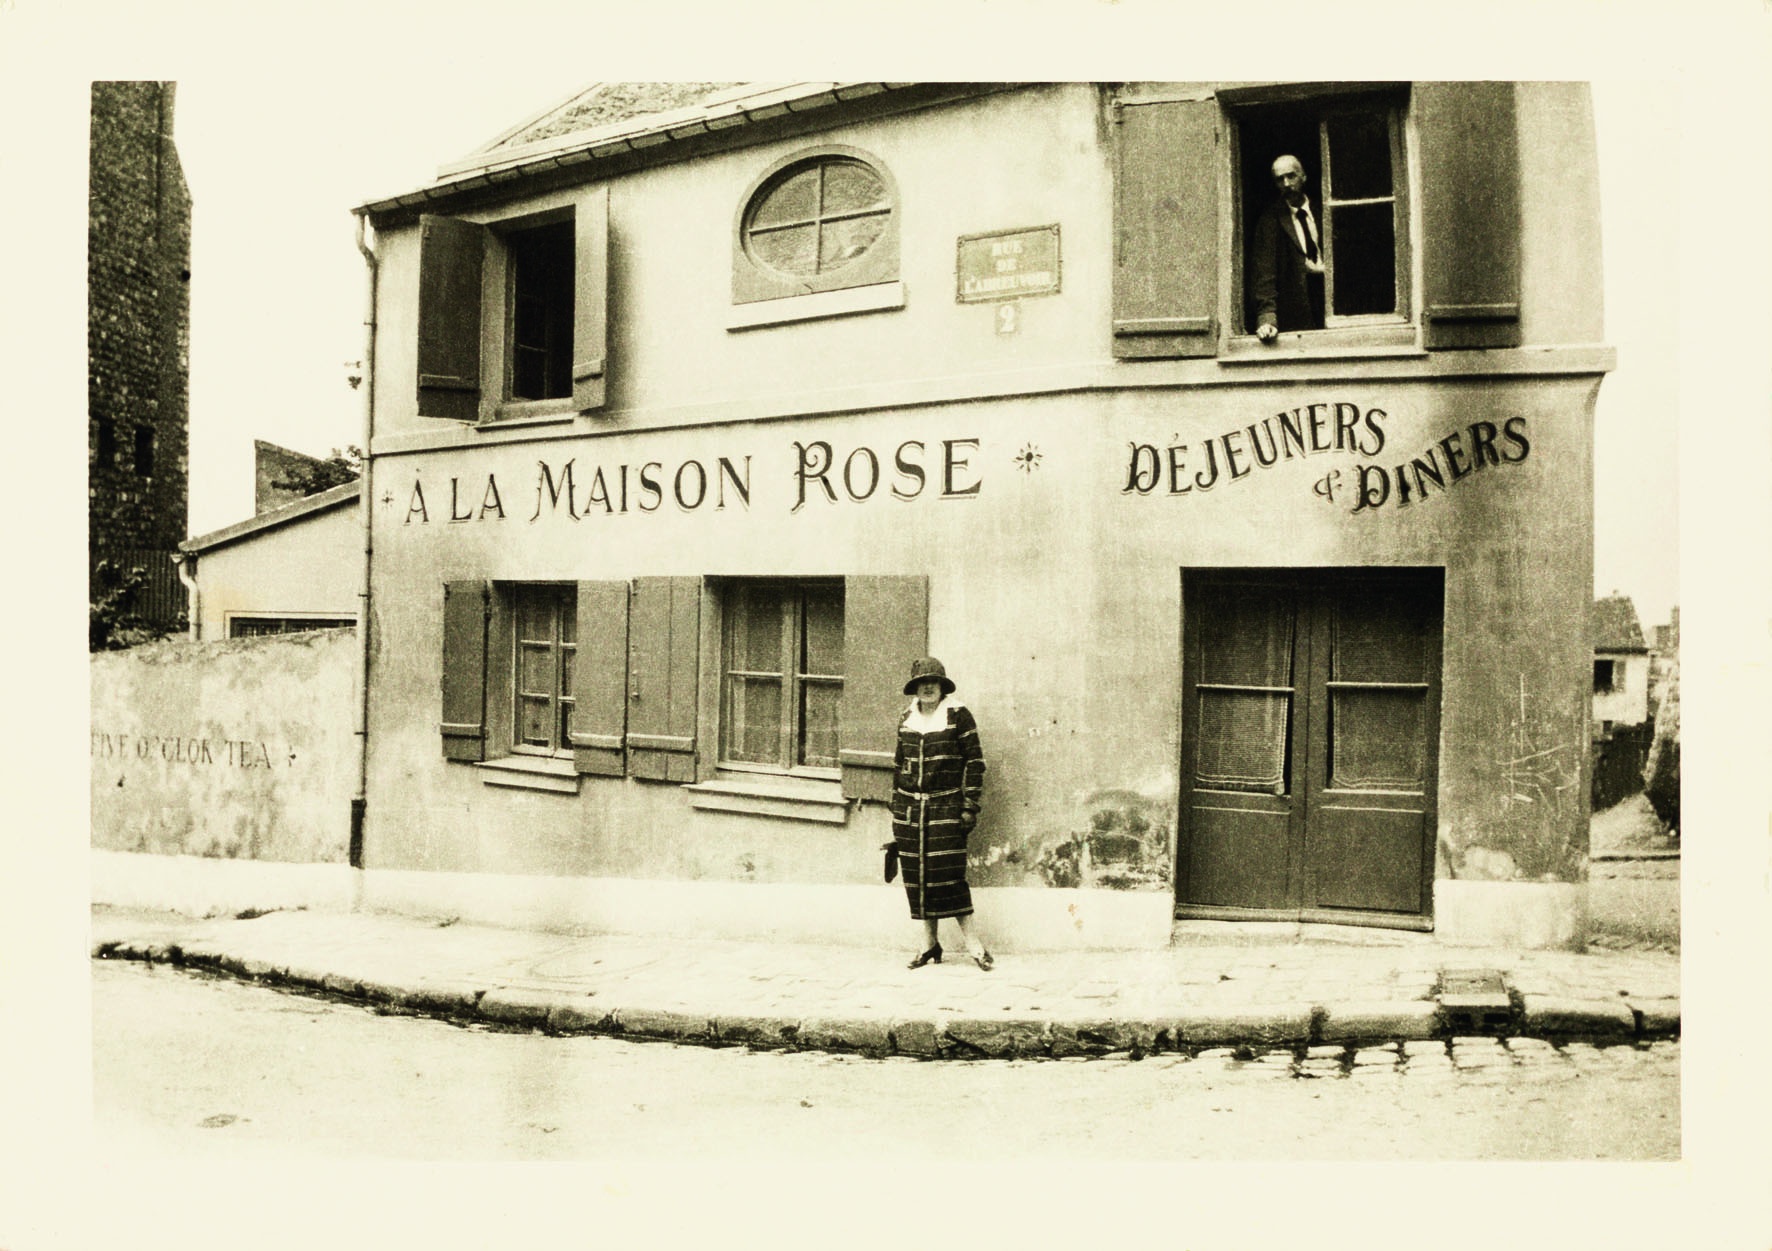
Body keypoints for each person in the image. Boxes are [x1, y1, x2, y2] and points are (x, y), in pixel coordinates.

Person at [890, 656, 992, 971]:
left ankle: (974, 945)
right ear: (915, 688)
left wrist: (969, 807)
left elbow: (975, 763)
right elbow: (898, 765)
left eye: (933, 682)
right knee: (917, 878)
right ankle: (929, 945)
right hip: (910, 811)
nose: (928, 687)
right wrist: (896, 805)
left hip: (945, 807)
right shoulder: (906, 717)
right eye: (922, 683)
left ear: (942, 686)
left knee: (948, 875)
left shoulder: (958, 716)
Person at [1249, 154, 1326, 341]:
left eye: (1291, 176)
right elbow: (1264, 275)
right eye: (1279, 179)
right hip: (1298, 315)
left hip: (1333, 308)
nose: (1286, 184)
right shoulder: (1270, 221)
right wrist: (1267, 320)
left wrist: (1325, 270)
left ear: (1304, 177)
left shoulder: (1326, 209)